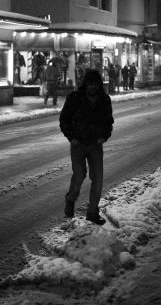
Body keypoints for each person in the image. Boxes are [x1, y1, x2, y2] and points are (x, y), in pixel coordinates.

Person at [60, 69, 114, 225]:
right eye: (90, 84)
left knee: (97, 179)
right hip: (78, 143)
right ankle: (71, 199)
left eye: (95, 84)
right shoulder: (75, 98)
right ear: (85, 84)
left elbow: (108, 121)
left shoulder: (104, 100)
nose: (92, 87)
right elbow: (64, 119)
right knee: (79, 175)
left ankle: (92, 212)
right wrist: (71, 137)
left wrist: (104, 136)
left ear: (99, 84)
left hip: (95, 144)